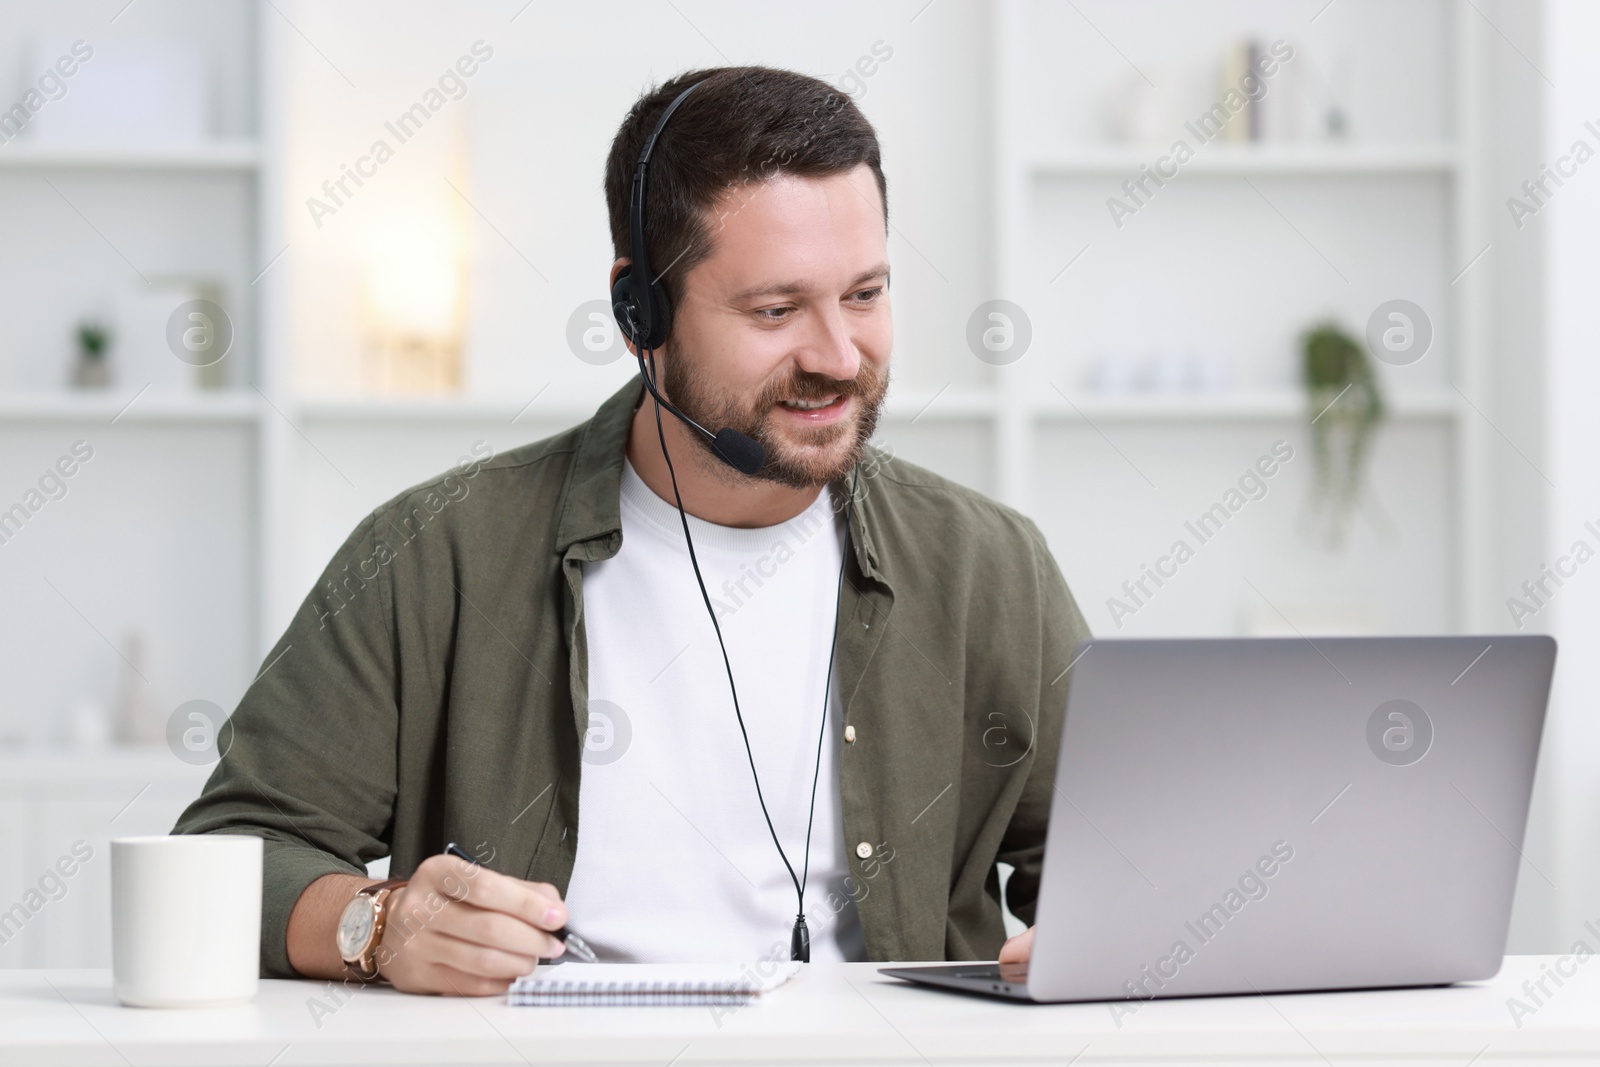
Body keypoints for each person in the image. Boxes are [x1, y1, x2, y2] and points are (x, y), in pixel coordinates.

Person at [174, 64, 1088, 996]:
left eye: (864, 294)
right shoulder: (433, 552)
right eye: (776, 310)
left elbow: (1124, 868)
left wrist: (1091, 940)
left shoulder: (991, 566)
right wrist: (381, 923)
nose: (839, 356)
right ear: (637, 312)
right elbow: (229, 855)